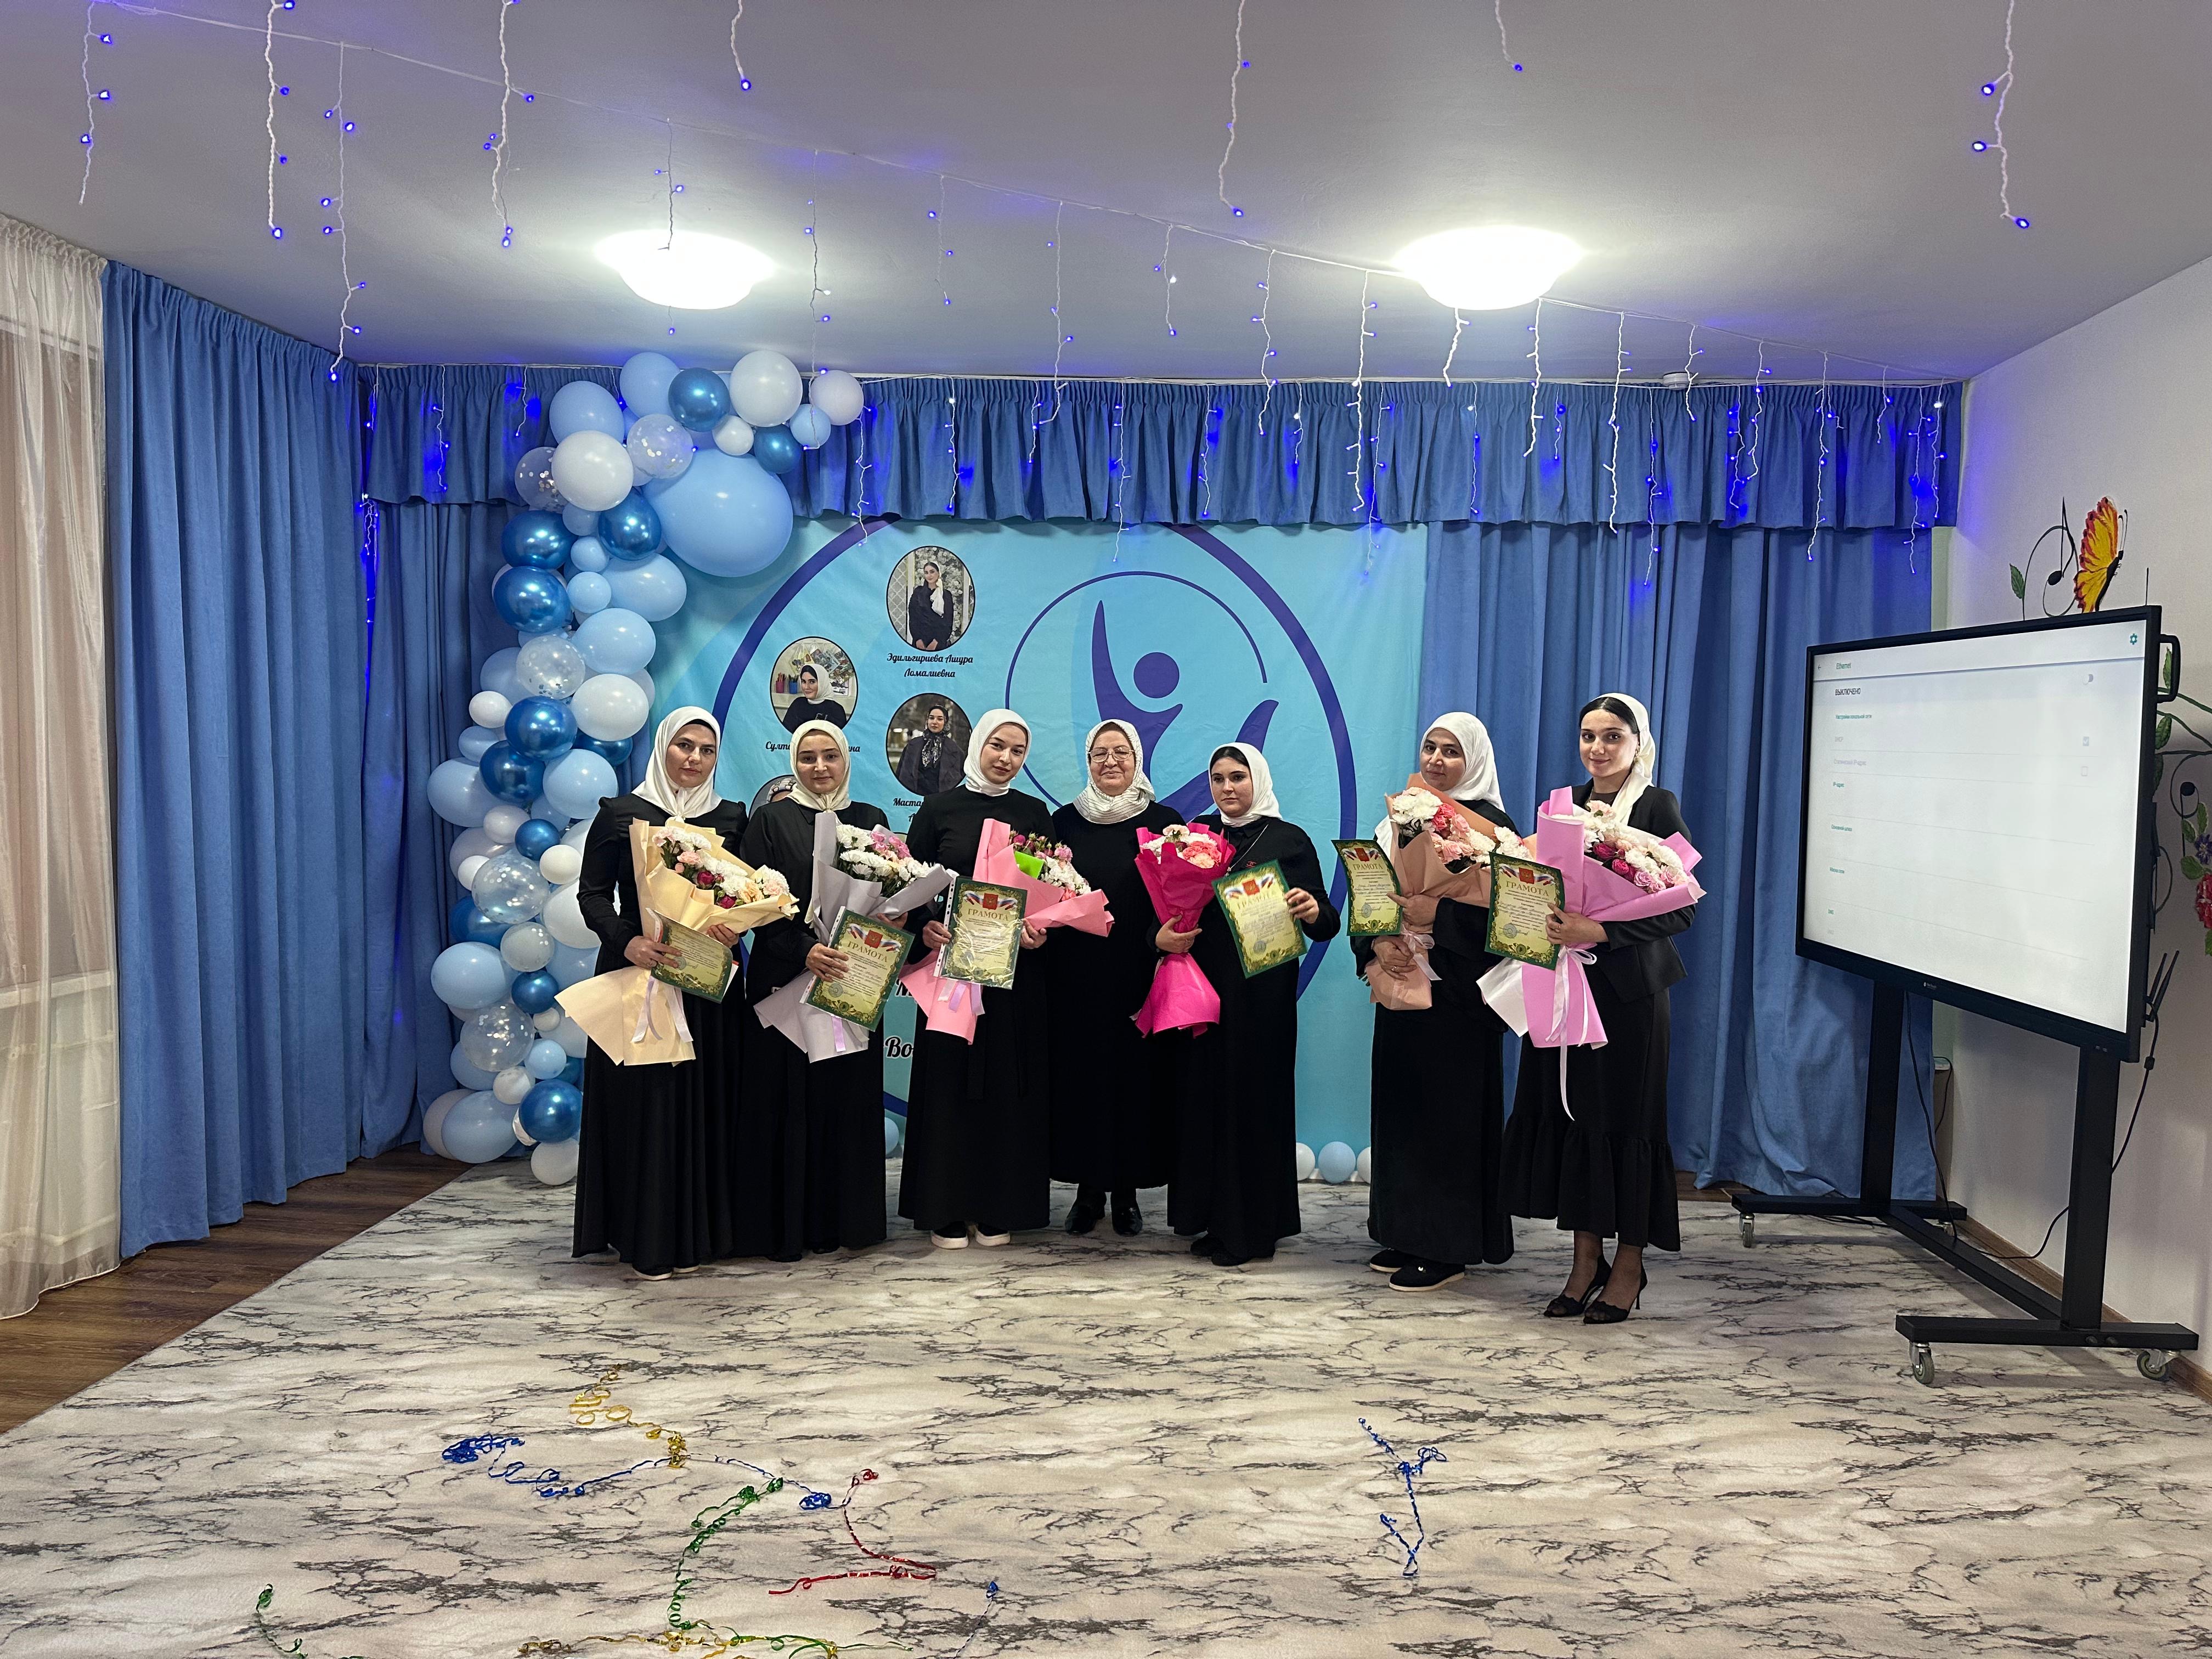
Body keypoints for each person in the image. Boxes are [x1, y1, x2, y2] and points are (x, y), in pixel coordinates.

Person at [1500, 692, 1695, 1325]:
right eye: (1589, 735)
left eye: (1613, 736)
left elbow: (1682, 907)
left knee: (1628, 1125)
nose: (1598, 748)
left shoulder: (1657, 806)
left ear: (1639, 743)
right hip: (1567, 985)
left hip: (1630, 996)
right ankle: (1585, 1262)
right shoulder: (1563, 808)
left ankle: (1630, 1266)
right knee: (1579, 1121)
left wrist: (1602, 931)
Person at [572, 708, 748, 1281]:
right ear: (663, 747)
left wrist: (734, 925)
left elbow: (740, 895)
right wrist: (627, 941)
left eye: (707, 750)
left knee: (703, 1102)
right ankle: (643, 1235)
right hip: (638, 973)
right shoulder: (622, 813)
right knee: (646, 1104)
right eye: (684, 746)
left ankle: (701, 1234)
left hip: (705, 980)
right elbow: (592, 895)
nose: (694, 759)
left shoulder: (731, 817)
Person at [1353, 713, 1518, 1293]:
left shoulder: (1494, 831)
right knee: (1402, 1112)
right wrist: (1378, 943)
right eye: (1430, 747)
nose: (1437, 760)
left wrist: (1438, 916)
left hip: (1459, 1002)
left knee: (1449, 1121)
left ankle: (1447, 1246)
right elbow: (1370, 893)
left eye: (1452, 751)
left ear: (1475, 759)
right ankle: (1404, 1231)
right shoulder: (1400, 818)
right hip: (1402, 988)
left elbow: (1514, 922)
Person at [1167, 744, 1340, 1268]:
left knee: (1254, 1102)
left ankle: (1253, 1231)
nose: (1227, 788)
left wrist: (1310, 908)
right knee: (1208, 1101)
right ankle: (1214, 1218)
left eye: (1238, 777)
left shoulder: (1289, 839)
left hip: (1263, 997)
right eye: (1218, 778)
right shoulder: (1197, 833)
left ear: (1257, 779)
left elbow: (1327, 922)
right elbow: (1172, 901)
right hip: (1204, 990)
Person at [735, 720, 893, 1260]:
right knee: (786, 1104)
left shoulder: (871, 820)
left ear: (846, 759)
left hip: (850, 980)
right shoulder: (770, 819)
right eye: (808, 757)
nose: (820, 767)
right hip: (785, 979)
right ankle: (785, 1229)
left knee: (843, 1103)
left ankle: (847, 1222)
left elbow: (890, 899)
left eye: (830, 755)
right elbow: (754, 905)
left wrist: (885, 927)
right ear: (793, 763)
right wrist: (803, 948)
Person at [898, 709, 1054, 1248]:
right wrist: (925, 927)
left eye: (1017, 751)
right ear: (978, 745)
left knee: (1005, 1086)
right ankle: (944, 1206)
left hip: (1012, 975)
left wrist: (1038, 931)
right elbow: (910, 885)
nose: (1006, 758)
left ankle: (998, 1206)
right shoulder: (939, 809)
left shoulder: (1034, 813)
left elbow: (1052, 889)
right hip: (950, 974)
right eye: (998, 746)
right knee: (948, 1082)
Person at [1046, 721, 1180, 1237]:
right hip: (1075, 975)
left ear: (1137, 758)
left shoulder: (1166, 823)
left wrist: (1160, 940)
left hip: (1142, 971)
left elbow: (1180, 897)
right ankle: (1087, 1193)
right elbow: (1043, 893)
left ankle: (1126, 1194)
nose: (1110, 762)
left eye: (1121, 752)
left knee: (1135, 1083)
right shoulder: (1063, 822)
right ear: (1087, 761)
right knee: (1083, 1083)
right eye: (1099, 753)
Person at [895, 703, 964, 795]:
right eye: (931, 718)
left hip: (941, 800)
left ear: (945, 722)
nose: (935, 722)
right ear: (927, 721)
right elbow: (900, 777)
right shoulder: (912, 746)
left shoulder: (955, 751)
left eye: (940, 719)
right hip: (913, 799)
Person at [780, 664, 849, 733]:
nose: (806, 687)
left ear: (822, 683)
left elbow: (839, 738)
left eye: (812, 682)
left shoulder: (836, 710)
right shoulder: (798, 704)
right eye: (804, 682)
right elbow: (785, 733)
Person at [906, 560, 955, 652]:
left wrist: (936, 642)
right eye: (926, 573)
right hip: (920, 642)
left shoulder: (946, 595)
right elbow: (913, 618)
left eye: (932, 572)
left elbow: (948, 621)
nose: (929, 575)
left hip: (938, 643)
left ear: (938, 573)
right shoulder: (918, 593)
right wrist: (918, 639)